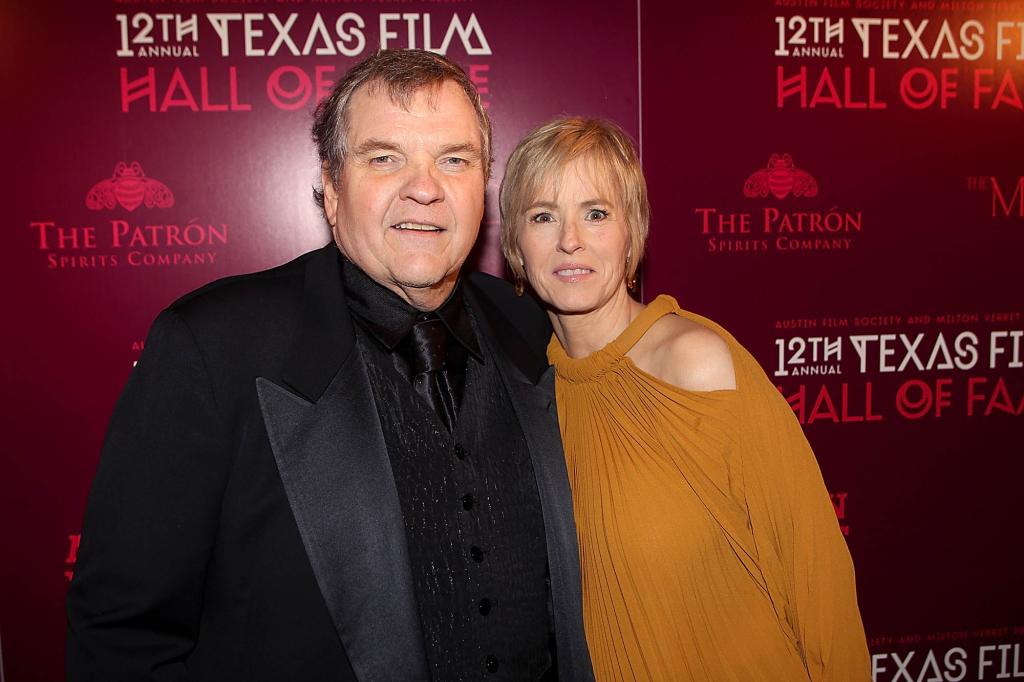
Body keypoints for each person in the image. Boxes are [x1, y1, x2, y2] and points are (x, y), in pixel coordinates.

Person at [66, 51, 594, 682]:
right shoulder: (213, 348)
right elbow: (123, 637)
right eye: (384, 157)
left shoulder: (534, 330)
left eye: (454, 160)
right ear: (332, 186)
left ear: (482, 187)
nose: (424, 187)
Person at [499, 116, 870, 680]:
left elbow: (812, 566)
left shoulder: (695, 361)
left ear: (632, 234)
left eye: (596, 213)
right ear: (516, 246)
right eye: (543, 216)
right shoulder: (530, 396)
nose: (569, 238)